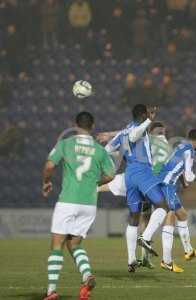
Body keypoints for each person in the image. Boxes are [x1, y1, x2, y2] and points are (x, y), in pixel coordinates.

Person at [41, 112, 115, 300]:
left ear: (75, 125)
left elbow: (49, 166)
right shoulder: (100, 149)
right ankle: (86, 274)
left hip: (68, 200)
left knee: (57, 244)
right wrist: (94, 183)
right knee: (74, 244)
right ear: (93, 126)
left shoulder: (66, 144)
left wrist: (46, 182)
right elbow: (111, 175)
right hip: (89, 204)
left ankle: (51, 291)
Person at [104, 104, 169, 269]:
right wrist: (149, 120)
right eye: (147, 114)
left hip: (130, 173)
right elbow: (133, 136)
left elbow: (107, 149)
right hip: (142, 171)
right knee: (162, 206)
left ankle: (131, 260)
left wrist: (122, 155)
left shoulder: (123, 132)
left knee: (134, 217)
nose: (150, 115)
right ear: (142, 115)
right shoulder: (135, 129)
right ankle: (145, 237)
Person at [158, 129, 196, 272]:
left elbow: (194, 151)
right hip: (166, 184)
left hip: (166, 183)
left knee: (183, 215)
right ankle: (166, 260)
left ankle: (189, 251)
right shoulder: (190, 151)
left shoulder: (182, 145)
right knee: (170, 217)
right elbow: (189, 176)